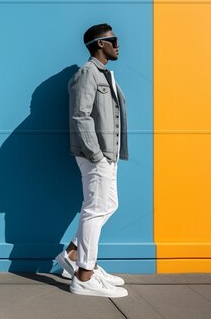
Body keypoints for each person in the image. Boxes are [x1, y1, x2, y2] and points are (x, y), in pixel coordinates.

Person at [55, 23, 129, 298]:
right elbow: (80, 115)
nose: (118, 45)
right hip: (95, 154)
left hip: (107, 153)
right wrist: (96, 153)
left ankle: (73, 256)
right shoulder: (87, 73)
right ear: (100, 43)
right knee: (95, 209)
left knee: (107, 205)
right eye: (114, 39)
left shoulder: (105, 74)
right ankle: (84, 275)